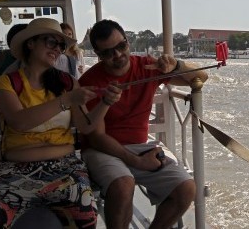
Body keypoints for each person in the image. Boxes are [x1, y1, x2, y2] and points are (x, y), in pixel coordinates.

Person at [0, 18, 122, 228]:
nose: (58, 49)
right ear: (31, 43)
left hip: (65, 167)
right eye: (51, 42)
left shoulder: (67, 82)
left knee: (86, 213)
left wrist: (105, 103)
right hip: (15, 169)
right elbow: (19, 122)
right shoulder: (8, 82)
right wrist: (65, 100)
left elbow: (85, 126)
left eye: (61, 45)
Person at [79, 19, 208, 229]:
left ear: (128, 42)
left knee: (186, 189)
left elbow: (202, 77)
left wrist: (175, 65)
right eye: (108, 52)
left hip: (141, 144)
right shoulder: (89, 82)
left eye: (121, 46)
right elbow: (96, 137)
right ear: (99, 55)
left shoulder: (148, 66)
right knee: (123, 185)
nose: (118, 55)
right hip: (102, 149)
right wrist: (138, 162)